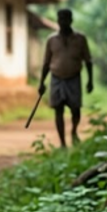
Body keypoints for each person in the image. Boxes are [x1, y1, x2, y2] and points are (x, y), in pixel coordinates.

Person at [38, 9, 93, 147]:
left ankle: (74, 131)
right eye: (60, 19)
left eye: (66, 19)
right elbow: (46, 63)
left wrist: (90, 80)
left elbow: (88, 61)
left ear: (71, 20)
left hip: (74, 77)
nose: (63, 22)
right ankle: (62, 142)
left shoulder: (80, 39)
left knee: (75, 109)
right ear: (58, 20)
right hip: (56, 78)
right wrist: (41, 83)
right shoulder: (51, 40)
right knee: (58, 109)